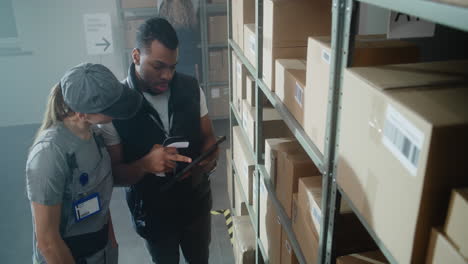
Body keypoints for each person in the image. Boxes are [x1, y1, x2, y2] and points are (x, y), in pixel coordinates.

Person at [99, 17, 218, 264]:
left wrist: (204, 163)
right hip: (153, 214)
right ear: (136, 56)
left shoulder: (191, 88)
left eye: (173, 67)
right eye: (158, 66)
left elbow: (209, 139)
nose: (167, 75)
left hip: (195, 205)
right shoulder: (115, 109)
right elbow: (115, 174)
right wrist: (145, 165)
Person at [26, 63, 143, 263]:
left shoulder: (96, 136)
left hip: (100, 253)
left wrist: (112, 246)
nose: (116, 112)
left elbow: (100, 203)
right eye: (110, 108)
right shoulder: (49, 155)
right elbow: (47, 242)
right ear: (82, 113)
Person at [158, 0, 202, 80]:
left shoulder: (164, 7)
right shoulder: (189, 6)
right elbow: (195, 38)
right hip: (188, 61)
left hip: (171, 61)